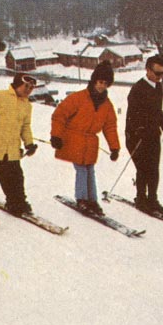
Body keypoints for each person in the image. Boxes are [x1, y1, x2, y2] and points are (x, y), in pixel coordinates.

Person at [50, 61, 120, 216]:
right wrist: (56, 135)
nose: (102, 86)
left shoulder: (107, 105)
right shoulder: (78, 98)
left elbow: (110, 127)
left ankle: (92, 200)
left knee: (90, 169)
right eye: (100, 82)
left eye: (106, 83)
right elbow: (59, 115)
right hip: (73, 138)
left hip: (90, 142)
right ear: (94, 81)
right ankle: (82, 199)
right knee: (81, 169)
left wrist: (114, 147)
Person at [0, 72, 38, 215]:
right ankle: (12, 202)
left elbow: (25, 126)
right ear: (17, 84)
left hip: (13, 147)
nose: (28, 89)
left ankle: (20, 201)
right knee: (5, 175)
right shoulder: (0, 96)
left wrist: (29, 143)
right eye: (26, 86)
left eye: (31, 87)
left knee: (18, 175)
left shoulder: (27, 105)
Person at [125, 55, 163, 215]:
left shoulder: (157, 87)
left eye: (162, 73)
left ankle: (152, 199)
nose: (160, 77)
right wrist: (139, 129)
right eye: (157, 73)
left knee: (154, 168)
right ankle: (141, 198)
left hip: (153, 134)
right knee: (143, 168)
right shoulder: (137, 89)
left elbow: (157, 111)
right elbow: (132, 114)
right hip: (136, 136)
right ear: (147, 70)